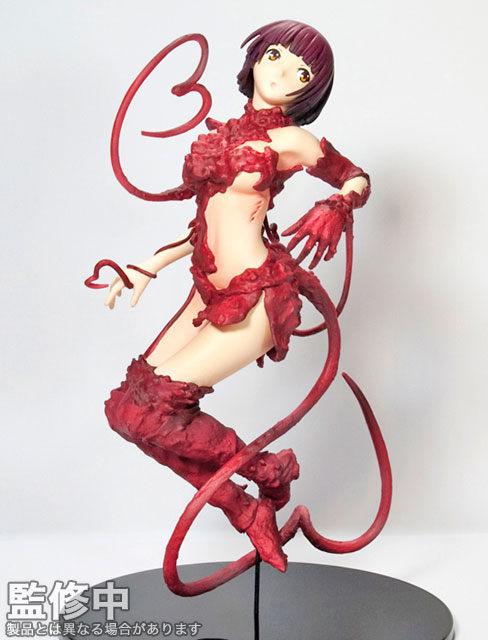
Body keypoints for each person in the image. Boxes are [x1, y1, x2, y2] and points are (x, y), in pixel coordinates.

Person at [93, 20, 370, 575]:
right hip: (206, 288)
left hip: (256, 293)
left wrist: (336, 206)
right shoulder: (225, 134)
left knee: (155, 412)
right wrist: (147, 266)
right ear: (257, 57)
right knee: (126, 413)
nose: (284, 73)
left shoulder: (292, 141)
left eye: (303, 73)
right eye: (277, 55)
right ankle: (249, 500)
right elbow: (207, 218)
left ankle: (264, 473)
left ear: (311, 90)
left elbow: (356, 177)